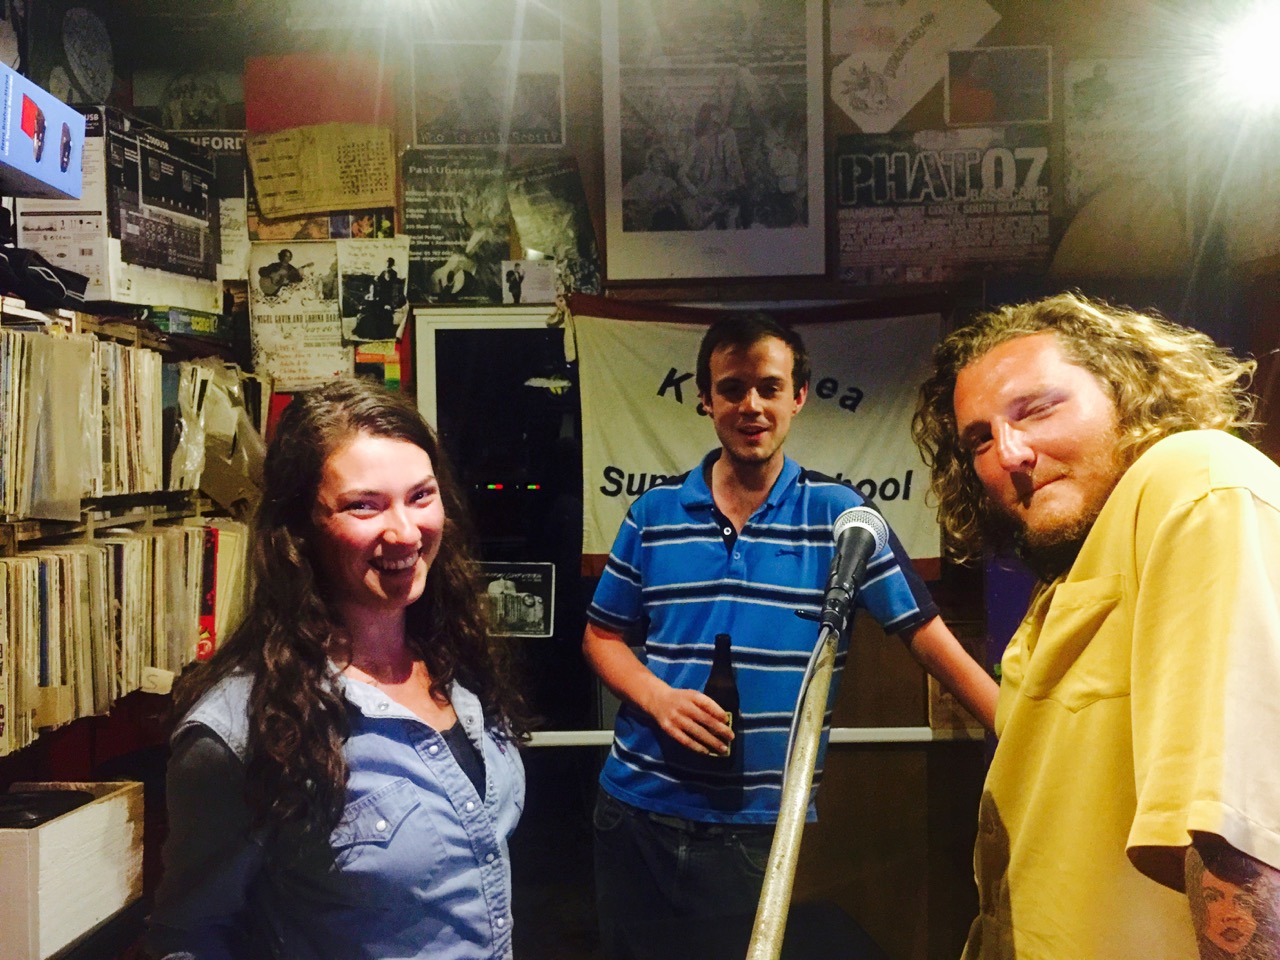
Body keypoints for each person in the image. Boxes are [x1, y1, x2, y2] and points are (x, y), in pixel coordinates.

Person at [584, 312, 998, 959]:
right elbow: (601, 637)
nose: (751, 405)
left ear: (798, 396)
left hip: (753, 830)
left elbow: (926, 636)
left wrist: (1022, 734)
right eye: (732, 388)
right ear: (706, 399)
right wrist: (659, 699)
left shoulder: (841, 517)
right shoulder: (654, 514)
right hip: (634, 815)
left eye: (769, 388)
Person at [911, 291, 1280, 958]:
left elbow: (1240, 833)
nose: (1009, 453)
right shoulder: (1066, 578)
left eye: (1037, 408)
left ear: (1128, 392)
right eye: (980, 439)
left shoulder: (1195, 478)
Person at [148, 379, 529, 960]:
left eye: (421, 496)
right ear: (300, 529)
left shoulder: (456, 660)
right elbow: (189, 938)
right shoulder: (242, 731)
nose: (405, 532)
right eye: (363, 505)